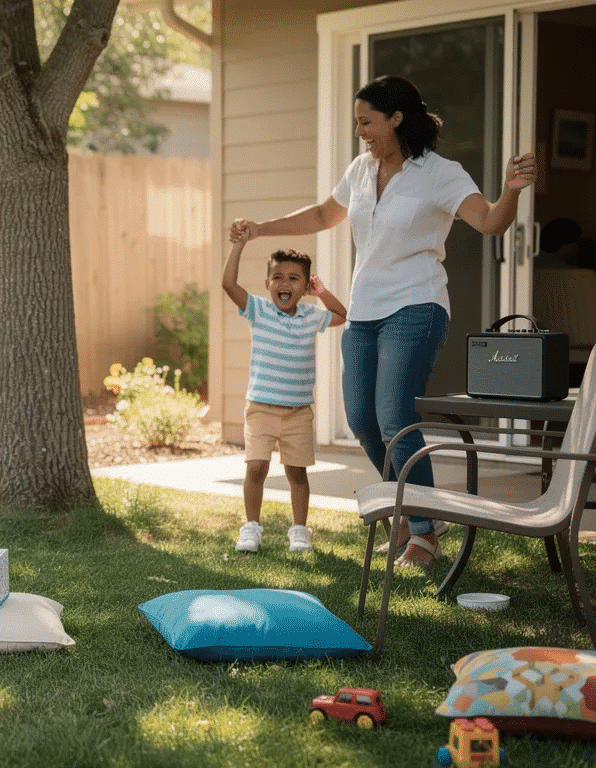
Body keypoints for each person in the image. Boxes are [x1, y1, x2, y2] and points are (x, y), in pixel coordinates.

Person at [232, 74, 535, 567]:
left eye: (366, 122)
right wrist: (261, 228)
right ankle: (413, 508)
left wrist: (511, 190)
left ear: (397, 119)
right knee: (361, 418)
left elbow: (490, 222)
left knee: (395, 414)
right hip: (364, 311)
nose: (361, 132)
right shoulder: (360, 170)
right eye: (357, 123)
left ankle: (423, 535)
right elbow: (321, 216)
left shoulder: (440, 173)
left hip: (416, 306)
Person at [221, 235, 347, 553]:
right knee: (256, 467)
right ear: (267, 283)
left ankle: (300, 530)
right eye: (277, 276)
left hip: (298, 411)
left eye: (294, 278)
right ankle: (251, 528)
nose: (284, 283)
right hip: (261, 407)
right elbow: (227, 283)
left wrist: (322, 292)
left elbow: (342, 315)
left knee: (296, 473)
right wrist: (239, 245)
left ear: (305, 286)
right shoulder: (258, 310)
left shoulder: (311, 316)